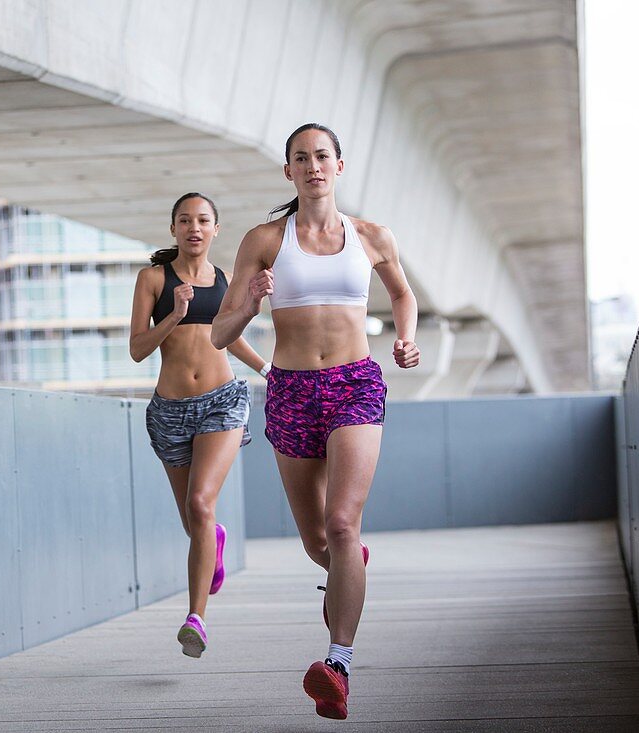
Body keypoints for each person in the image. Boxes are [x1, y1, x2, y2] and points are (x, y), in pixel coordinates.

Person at [211, 123, 420, 719]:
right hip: (291, 390)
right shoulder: (264, 240)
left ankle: (338, 664)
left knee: (343, 524)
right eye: (300, 158)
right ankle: (346, 570)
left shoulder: (372, 235)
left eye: (322, 156)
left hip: (354, 383)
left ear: (339, 165)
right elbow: (221, 335)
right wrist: (251, 302)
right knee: (317, 542)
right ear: (289, 172)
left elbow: (402, 295)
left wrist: (404, 340)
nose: (313, 166)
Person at [129, 192, 268, 659]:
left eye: (203, 220)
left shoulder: (226, 280)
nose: (194, 227)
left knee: (200, 502)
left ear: (215, 229)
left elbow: (231, 341)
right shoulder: (152, 279)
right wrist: (174, 315)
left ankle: (196, 619)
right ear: (173, 229)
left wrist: (270, 371)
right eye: (185, 220)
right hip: (169, 410)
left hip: (222, 401)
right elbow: (137, 349)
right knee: (196, 521)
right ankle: (214, 539)